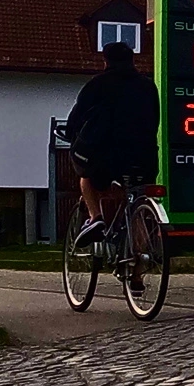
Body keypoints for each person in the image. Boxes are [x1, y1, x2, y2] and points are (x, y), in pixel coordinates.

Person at [64, 38, 160, 242]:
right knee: (136, 210)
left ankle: (95, 217)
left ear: (105, 62)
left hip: (108, 158)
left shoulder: (98, 84)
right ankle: (138, 267)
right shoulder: (148, 86)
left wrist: (70, 133)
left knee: (87, 178)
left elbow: (76, 116)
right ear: (132, 61)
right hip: (145, 159)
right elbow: (155, 119)